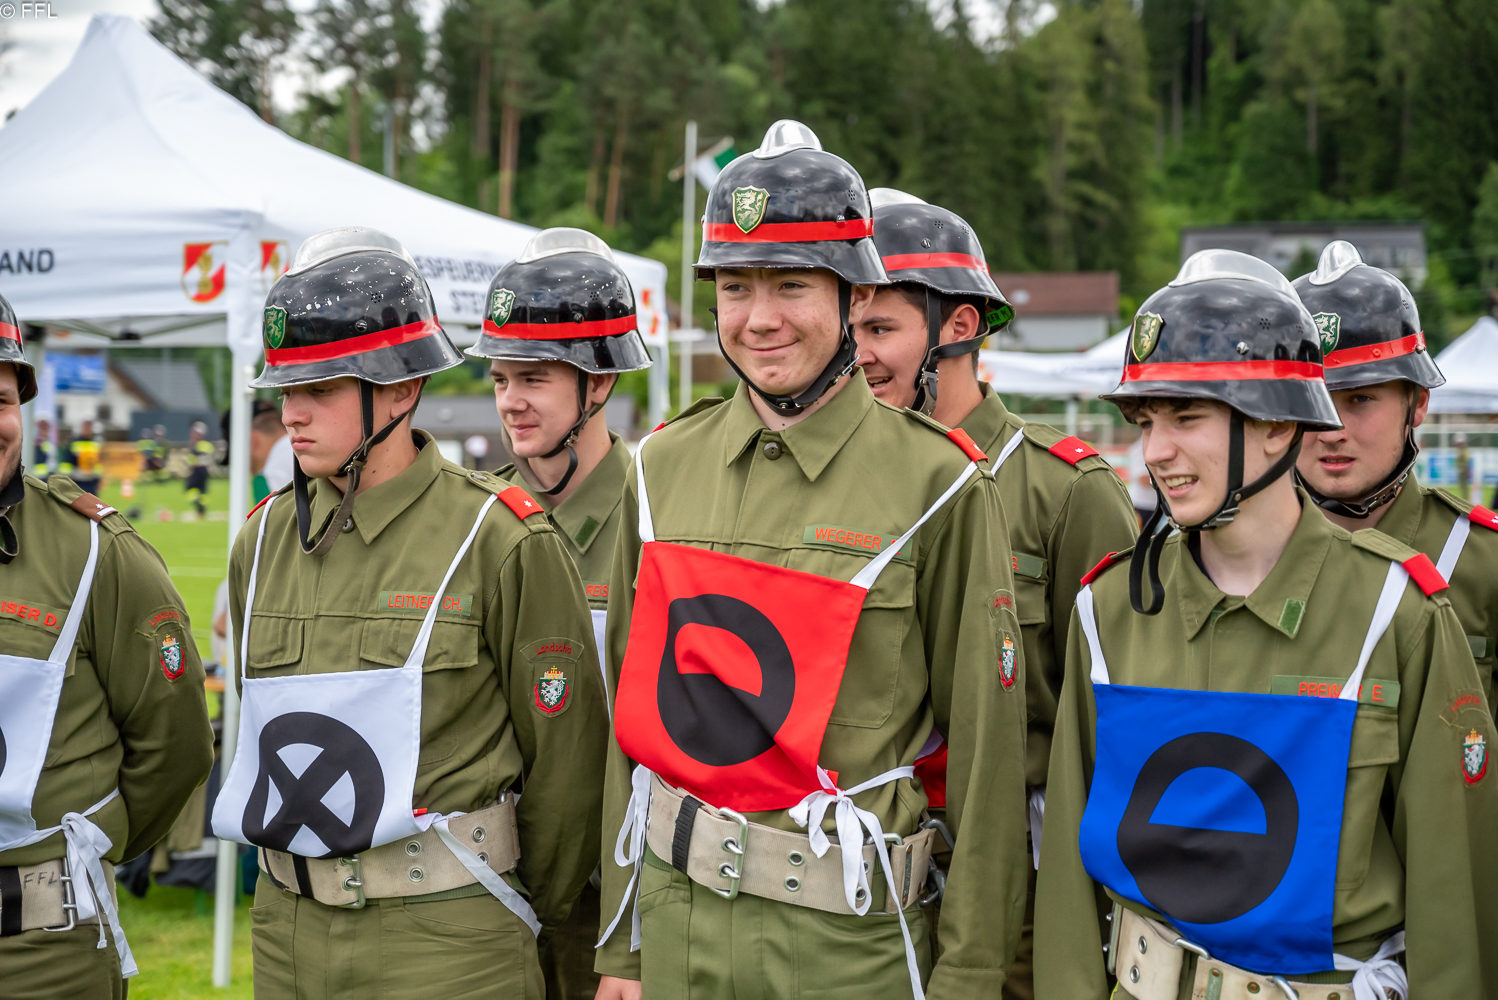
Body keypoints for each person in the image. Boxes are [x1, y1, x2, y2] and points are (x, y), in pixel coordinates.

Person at [594, 121, 1030, 1000]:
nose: (760, 319)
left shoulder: (938, 482)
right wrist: (622, 949)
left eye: (792, 284)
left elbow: (987, 763)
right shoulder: (661, 467)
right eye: (736, 287)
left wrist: (970, 977)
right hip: (676, 929)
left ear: (851, 294)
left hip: (849, 947)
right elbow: (629, 731)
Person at [1033, 250, 1498, 1000]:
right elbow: (1066, 881)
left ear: (1279, 426)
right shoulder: (1108, 609)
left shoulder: (1398, 612)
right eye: (1147, 420)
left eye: (1186, 416)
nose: (1156, 451)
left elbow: (1455, 899)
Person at [211, 227, 607, 1000]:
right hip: (288, 930)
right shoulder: (261, 541)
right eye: (285, 390)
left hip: (450, 936)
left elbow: (567, 768)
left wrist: (515, 908)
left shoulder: (500, 537)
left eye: (322, 389)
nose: (292, 415)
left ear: (400, 390)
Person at [853, 188, 1138, 999]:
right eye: (849, 330)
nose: (857, 354)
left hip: (1022, 885)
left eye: (880, 330)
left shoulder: (1066, 493)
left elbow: (1117, 719)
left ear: (960, 326)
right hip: (865, 873)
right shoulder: (848, 488)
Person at [0, 291, 214, 998]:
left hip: (40, 953)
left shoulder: (96, 551)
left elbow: (176, 744)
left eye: (1, 400)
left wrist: (92, 842)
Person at [465, 227, 651, 1000]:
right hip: (489, 887)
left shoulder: (660, 514)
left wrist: (632, 937)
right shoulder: (477, 523)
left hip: (612, 899)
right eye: (501, 378)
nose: (510, 400)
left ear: (599, 384)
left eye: (534, 378)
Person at [1293, 241, 1498, 699]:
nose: (1332, 431)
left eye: (1360, 399)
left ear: (1417, 403)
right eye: (1312, 401)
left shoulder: (1483, 561)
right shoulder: (1237, 557)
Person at [184, 420, 215, 515]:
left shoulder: (201, 445)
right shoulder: (204, 445)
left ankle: (199, 506)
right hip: (202, 471)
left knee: (192, 489)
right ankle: (200, 508)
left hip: (198, 471)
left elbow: (199, 460)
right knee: (201, 491)